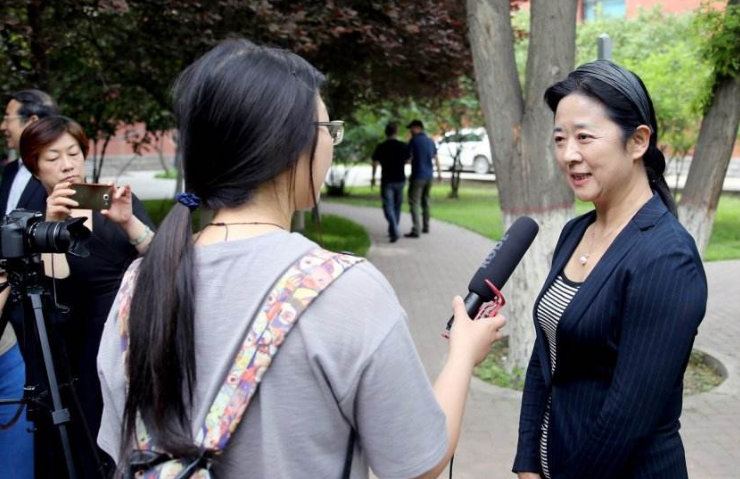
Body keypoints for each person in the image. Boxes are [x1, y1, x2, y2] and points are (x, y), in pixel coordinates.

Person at [95, 39, 505, 479]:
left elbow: (119, 448)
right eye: (329, 130)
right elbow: (417, 464)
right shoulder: (346, 290)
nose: (331, 144)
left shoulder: (141, 283)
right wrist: (463, 354)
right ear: (291, 145)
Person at [513, 60, 707, 479]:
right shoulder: (575, 232)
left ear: (637, 142)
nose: (569, 155)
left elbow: (627, 417)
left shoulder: (667, 256)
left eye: (584, 137)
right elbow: (545, 357)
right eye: (560, 139)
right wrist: (528, 461)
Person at [18, 115, 155, 479]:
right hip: (77, 351)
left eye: (74, 153)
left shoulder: (116, 203)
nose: (67, 165)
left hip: (129, 338)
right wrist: (50, 227)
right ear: (35, 168)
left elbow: (163, 265)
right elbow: (53, 304)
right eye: (52, 157)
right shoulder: (33, 224)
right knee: (85, 443)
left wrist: (129, 222)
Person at [0, 89, 58, 479]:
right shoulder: (5, 173)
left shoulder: (54, 182)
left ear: (32, 122)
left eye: (10, 117)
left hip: (36, 320)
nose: (4, 125)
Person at [371, 122, 408, 243]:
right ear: (396, 132)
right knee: (396, 206)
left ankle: (394, 230)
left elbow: (375, 162)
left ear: (386, 132)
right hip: (400, 179)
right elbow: (409, 159)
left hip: (387, 180)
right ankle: (394, 229)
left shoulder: (381, 146)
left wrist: (373, 177)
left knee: (388, 206)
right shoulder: (403, 146)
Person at [405, 119, 441, 238]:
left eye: (411, 128)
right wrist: (439, 173)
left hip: (417, 176)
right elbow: (436, 157)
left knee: (414, 202)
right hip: (429, 176)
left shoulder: (414, 141)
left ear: (417, 128)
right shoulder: (430, 141)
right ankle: (426, 227)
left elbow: (407, 157)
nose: (410, 130)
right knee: (426, 202)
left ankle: (416, 230)